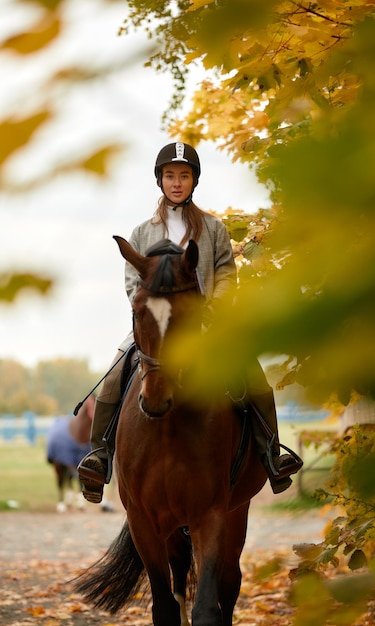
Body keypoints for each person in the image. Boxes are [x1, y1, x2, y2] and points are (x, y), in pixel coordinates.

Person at [78, 141, 302, 503]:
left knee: (254, 377)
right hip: (154, 329)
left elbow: (226, 273)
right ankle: (99, 458)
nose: (177, 182)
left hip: (206, 327)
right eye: (170, 176)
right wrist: (145, 312)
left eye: (183, 176)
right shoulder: (141, 233)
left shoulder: (213, 229)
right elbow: (132, 280)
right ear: (160, 181)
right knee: (114, 376)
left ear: (194, 181)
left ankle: (272, 456)